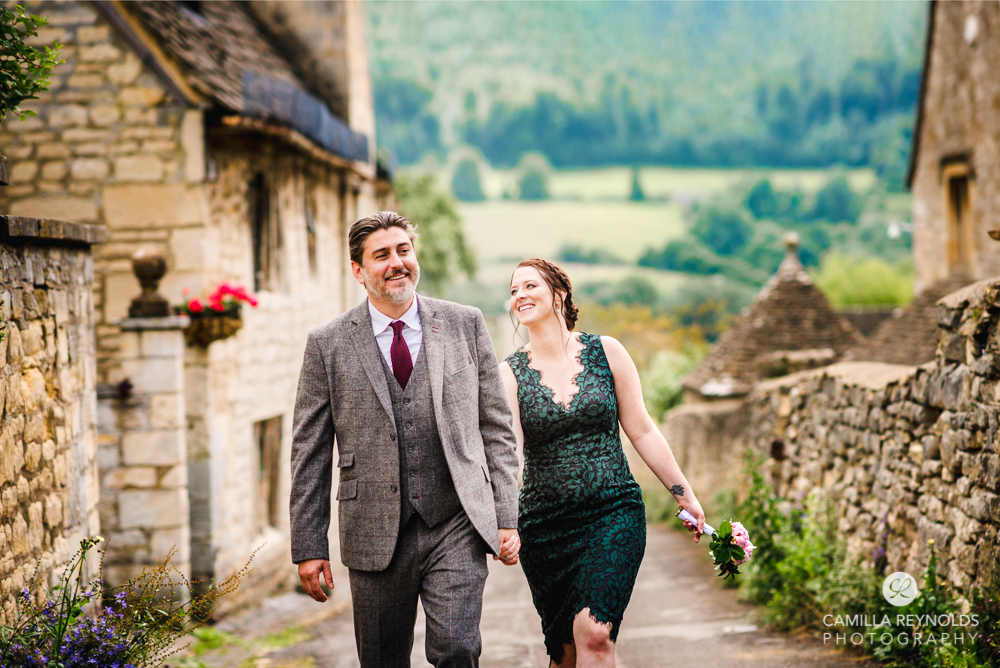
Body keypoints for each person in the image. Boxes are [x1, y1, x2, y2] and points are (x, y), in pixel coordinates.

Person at [289, 211, 521, 667]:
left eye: (404, 250)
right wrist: (310, 545)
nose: (397, 263)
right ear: (358, 270)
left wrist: (505, 515)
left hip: (456, 520)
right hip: (373, 530)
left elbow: (496, 428)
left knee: (458, 649)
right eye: (382, 255)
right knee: (382, 659)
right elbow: (309, 452)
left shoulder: (465, 323)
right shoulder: (326, 344)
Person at [498, 258, 706, 667]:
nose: (520, 295)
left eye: (530, 286)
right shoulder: (509, 373)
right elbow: (511, 456)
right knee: (566, 654)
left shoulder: (606, 352)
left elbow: (642, 430)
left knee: (595, 636)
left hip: (613, 512)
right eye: (513, 290)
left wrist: (685, 495)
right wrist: (505, 521)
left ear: (559, 294)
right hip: (545, 528)